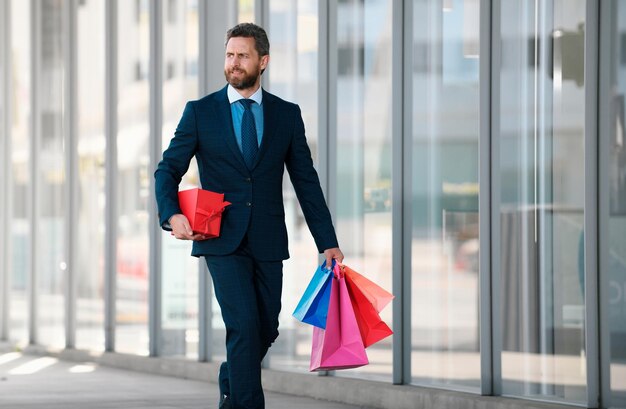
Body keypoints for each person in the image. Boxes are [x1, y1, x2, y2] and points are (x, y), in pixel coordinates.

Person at [154, 23, 344, 409]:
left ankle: (230, 380)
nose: (234, 63)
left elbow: (306, 182)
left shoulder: (286, 116)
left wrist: (328, 242)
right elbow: (167, 170)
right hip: (219, 239)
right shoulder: (200, 112)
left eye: (242, 55)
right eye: (229, 55)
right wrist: (171, 214)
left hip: (269, 238)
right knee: (242, 325)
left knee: (266, 327)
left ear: (263, 61)